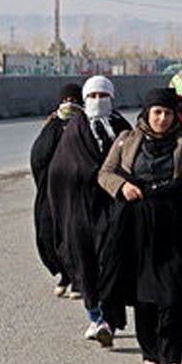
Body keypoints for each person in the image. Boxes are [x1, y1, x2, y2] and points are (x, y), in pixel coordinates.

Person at [98, 88, 182, 364]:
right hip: (136, 228)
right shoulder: (127, 140)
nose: (162, 118)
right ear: (147, 113)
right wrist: (121, 187)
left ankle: (172, 358)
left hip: (174, 228)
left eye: (168, 113)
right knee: (144, 296)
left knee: (175, 294)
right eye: (157, 112)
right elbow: (105, 173)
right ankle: (149, 354)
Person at [48, 76, 131, 346]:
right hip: (80, 211)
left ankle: (107, 319)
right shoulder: (75, 130)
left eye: (102, 95)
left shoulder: (121, 128)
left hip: (114, 208)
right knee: (86, 263)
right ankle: (95, 317)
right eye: (92, 96)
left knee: (113, 262)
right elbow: (60, 170)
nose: (97, 101)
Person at [30, 83, 83, 296]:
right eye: (64, 101)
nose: (69, 105)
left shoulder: (86, 126)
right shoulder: (52, 125)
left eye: (74, 101)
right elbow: (39, 157)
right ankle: (65, 273)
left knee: (75, 235)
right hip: (51, 191)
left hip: (77, 193)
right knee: (47, 233)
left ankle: (80, 277)